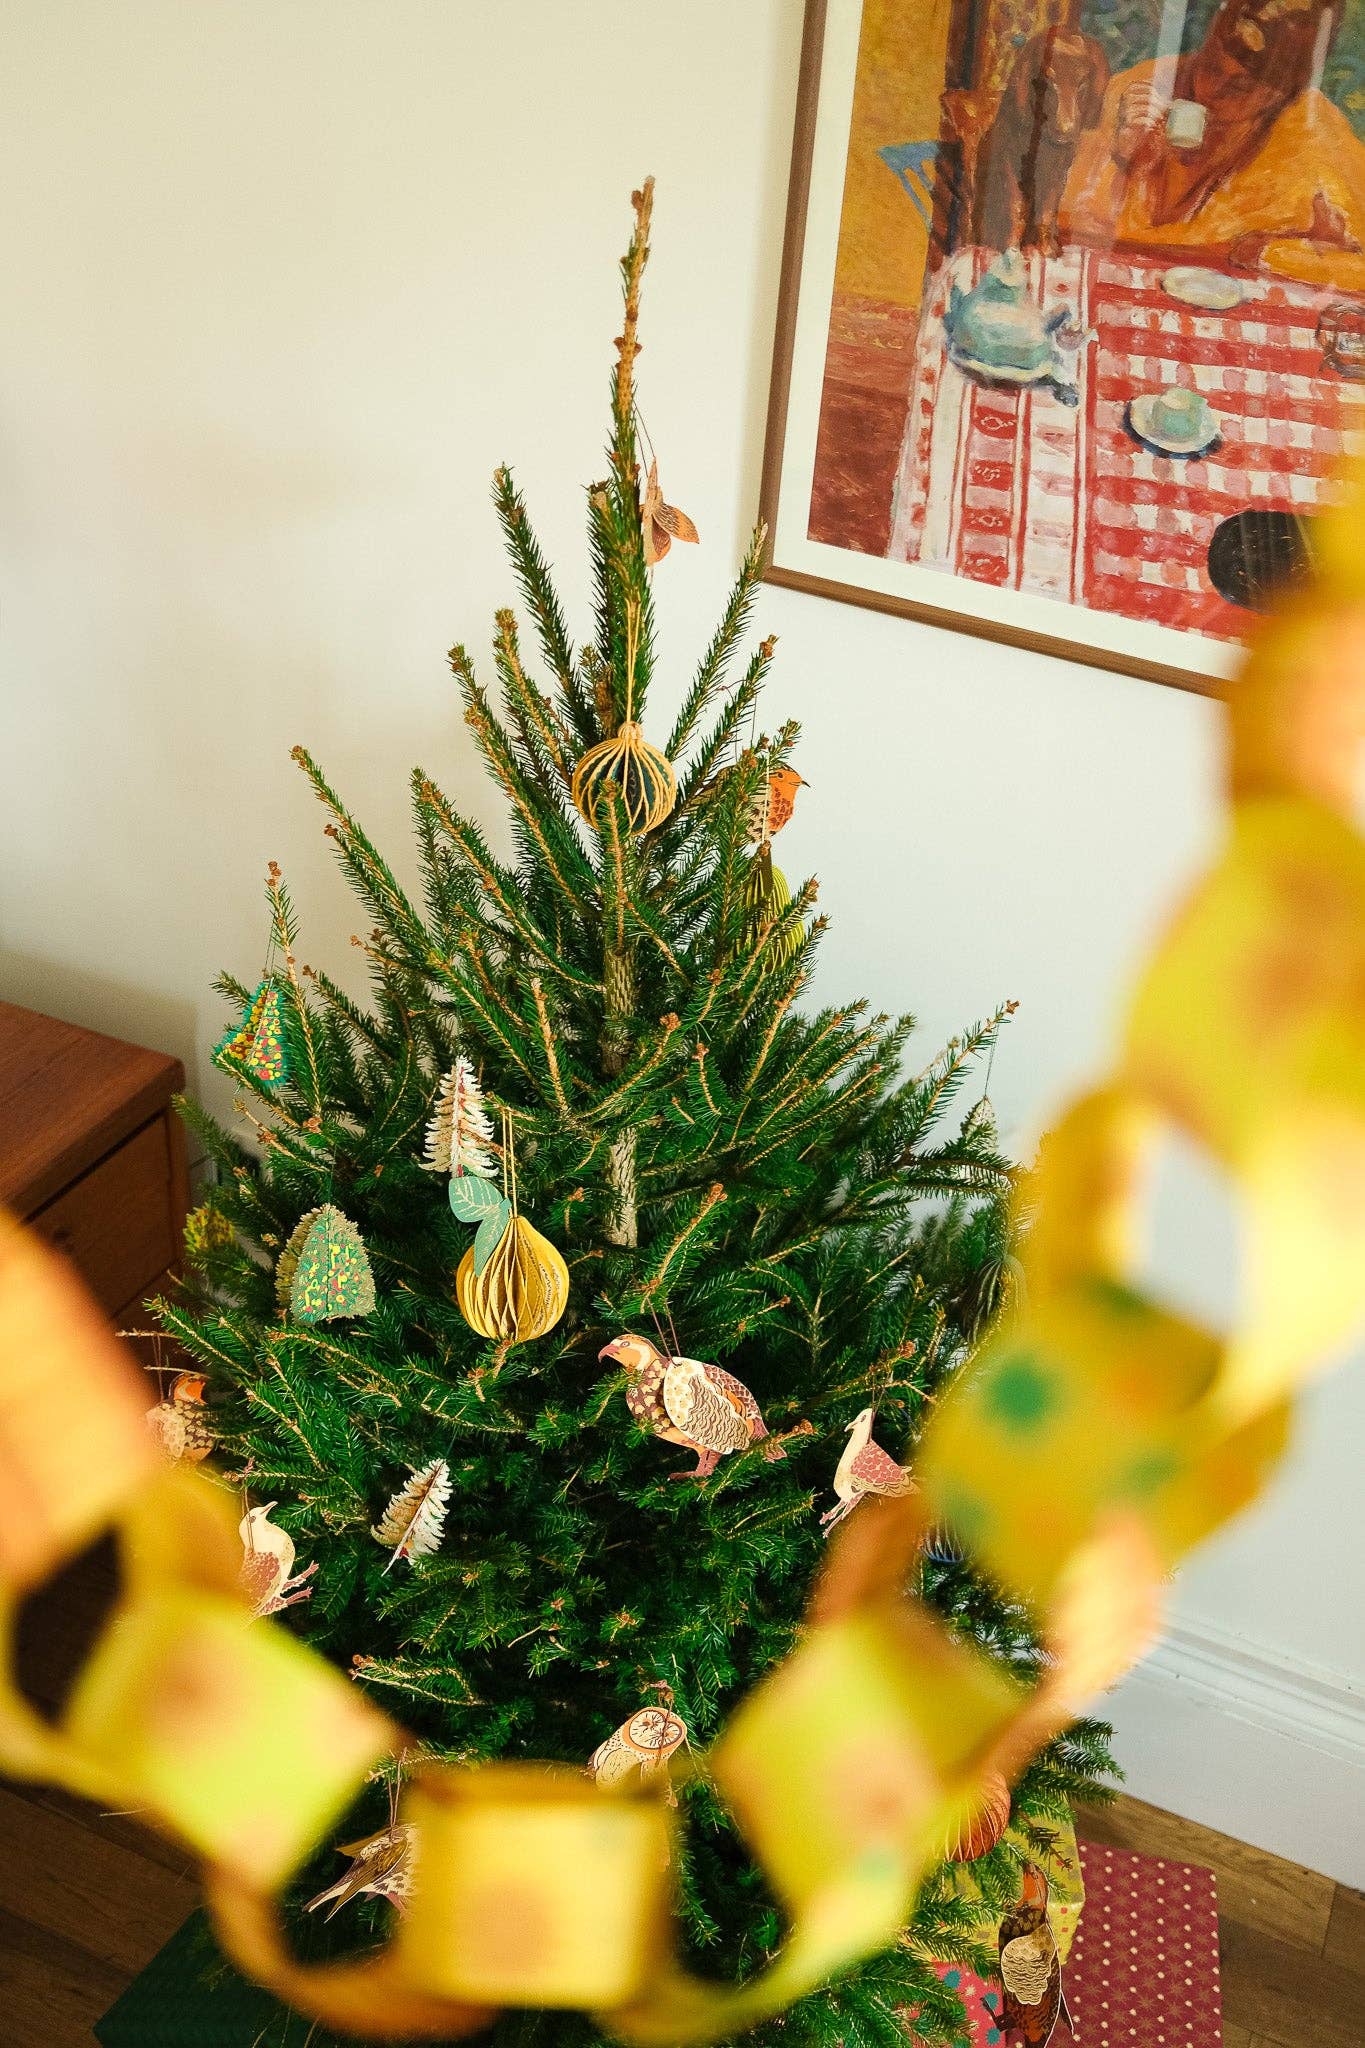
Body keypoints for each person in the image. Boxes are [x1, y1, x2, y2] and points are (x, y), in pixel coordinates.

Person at [1061, 0, 1365, 281]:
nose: (1210, 89)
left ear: (1281, 95)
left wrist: (1269, 254)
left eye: (1239, 87)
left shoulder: (1313, 134)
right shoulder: (1141, 89)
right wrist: (1122, 163)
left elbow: (1357, 265)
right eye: (1211, 66)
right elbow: (1057, 222)